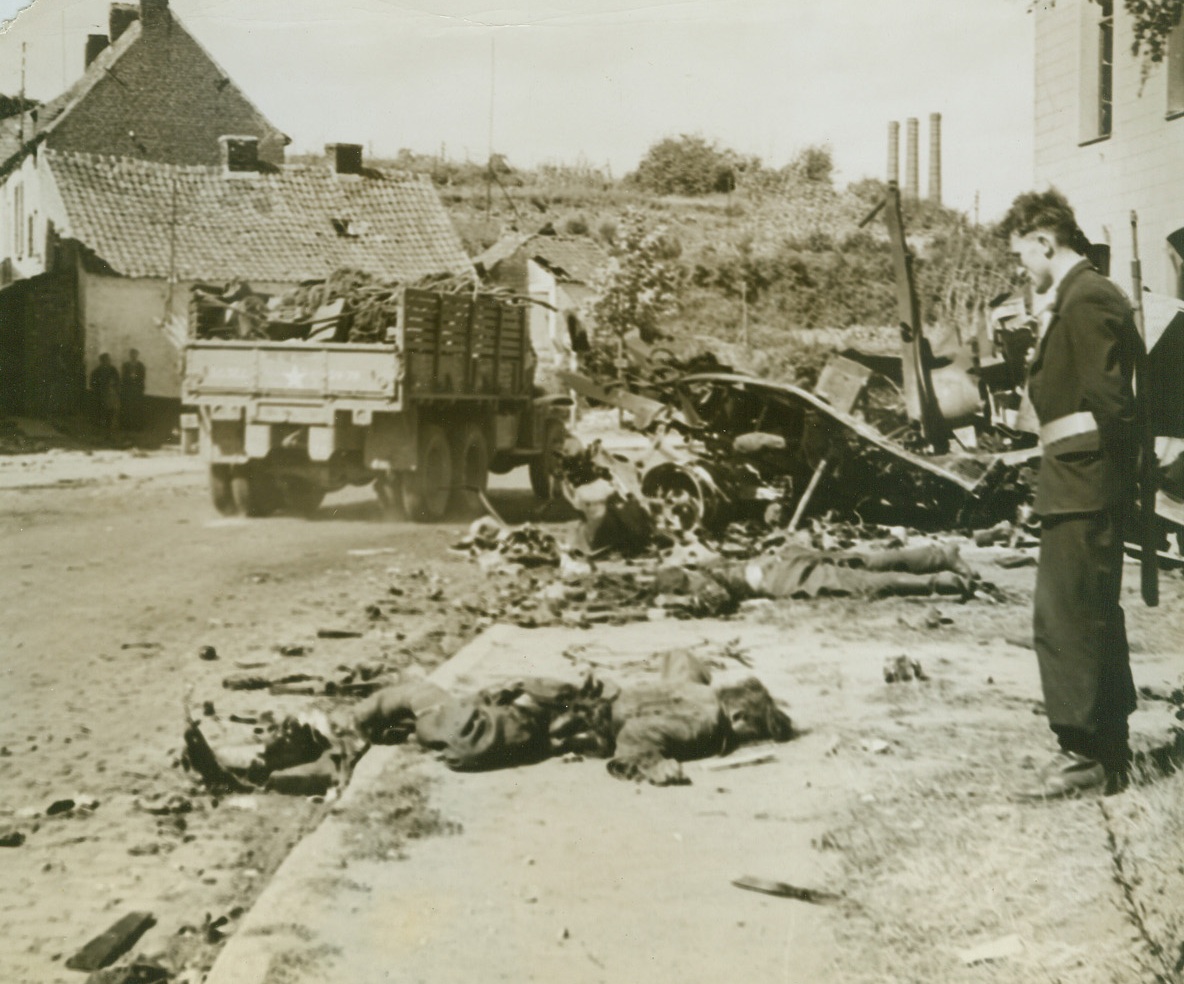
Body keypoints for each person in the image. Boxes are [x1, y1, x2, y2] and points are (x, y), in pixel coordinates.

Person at [1001, 189, 1143, 799]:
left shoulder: (1085, 298)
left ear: (1044, 240)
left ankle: (1085, 755)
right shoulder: (1080, 296)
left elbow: (1111, 403)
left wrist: (1112, 473)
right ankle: (1107, 749)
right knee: (1090, 614)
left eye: (1022, 255)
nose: (1022, 268)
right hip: (1079, 479)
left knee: (1066, 617)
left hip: (1084, 482)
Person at [89, 353, 120, 440]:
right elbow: (92, 384)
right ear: (102, 361)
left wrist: (115, 389)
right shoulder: (96, 371)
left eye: (109, 359)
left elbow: (117, 381)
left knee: (112, 414)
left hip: (111, 396)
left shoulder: (113, 370)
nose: (108, 361)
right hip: (101, 396)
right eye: (106, 360)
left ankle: (110, 434)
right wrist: (100, 389)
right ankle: (101, 434)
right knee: (101, 414)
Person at [120, 348, 146, 431]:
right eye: (132, 354)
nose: (133, 356)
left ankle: (137, 427)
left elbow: (142, 377)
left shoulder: (140, 366)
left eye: (135, 354)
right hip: (128, 390)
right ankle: (126, 426)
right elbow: (123, 377)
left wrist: (136, 378)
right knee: (127, 408)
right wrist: (129, 378)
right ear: (130, 355)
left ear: (137, 355)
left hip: (137, 390)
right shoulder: (126, 365)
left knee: (137, 408)